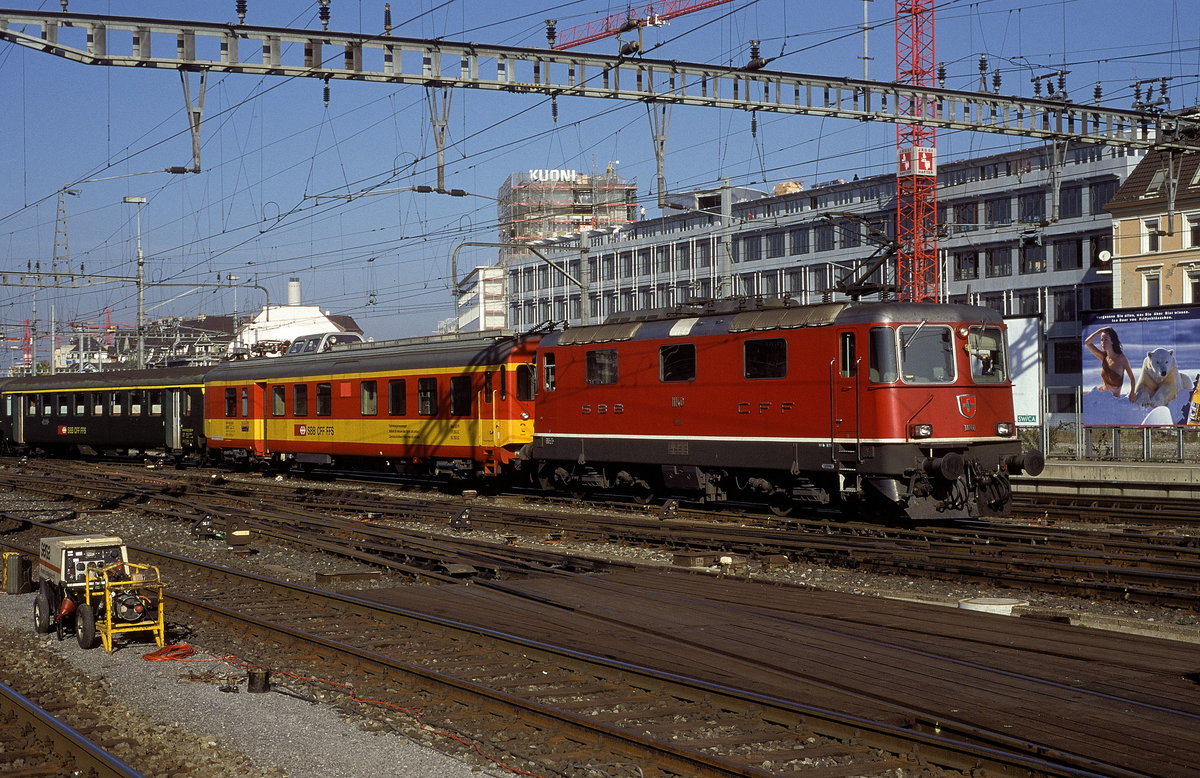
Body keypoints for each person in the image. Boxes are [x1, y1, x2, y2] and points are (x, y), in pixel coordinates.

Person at [1084, 326, 1136, 400]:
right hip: (1101, 395)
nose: (1103, 343)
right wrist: (1100, 331)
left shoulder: (1122, 359)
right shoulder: (1104, 357)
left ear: (1112, 341)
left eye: (1106, 339)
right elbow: (1087, 342)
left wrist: (1132, 392)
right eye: (1101, 340)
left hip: (1113, 401)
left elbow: (1132, 378)